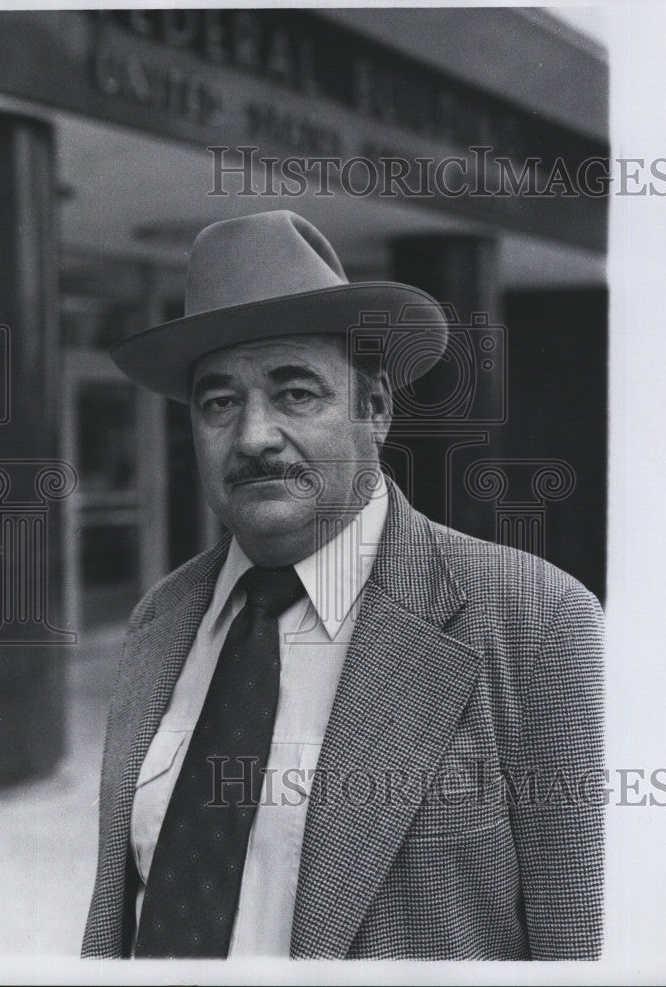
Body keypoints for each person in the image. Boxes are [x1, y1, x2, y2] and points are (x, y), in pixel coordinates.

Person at [82, 210, 604, 961]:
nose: (254, 435)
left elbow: (576, 949)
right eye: (219, 402)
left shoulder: (537, 620)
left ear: (378, 408)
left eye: (296, 393)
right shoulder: (159, 621)